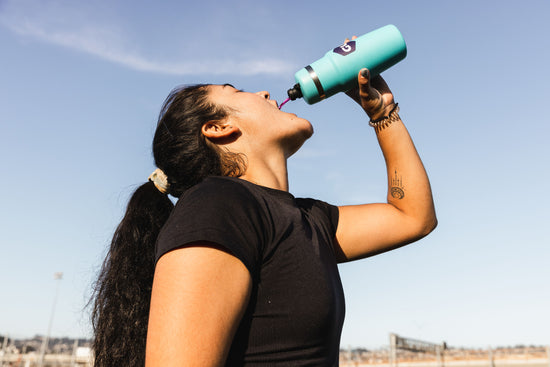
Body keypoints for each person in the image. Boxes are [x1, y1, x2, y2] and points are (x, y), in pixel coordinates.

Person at [91, 56, 437, 366]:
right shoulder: (216, 207)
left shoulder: (308, 218)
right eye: (239, 91)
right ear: (218, 128)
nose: (265, 94)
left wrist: (383, 114)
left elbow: (413, 218)